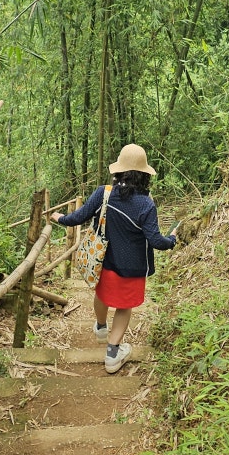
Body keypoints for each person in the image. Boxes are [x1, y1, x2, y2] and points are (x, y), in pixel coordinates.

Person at [51, 144, 176, 374]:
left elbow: (78, 217)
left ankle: (100, 326)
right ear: (144, 175)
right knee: (124, 307)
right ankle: (112, 355)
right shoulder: (146, 204)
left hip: (104, 261)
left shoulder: (104, 193)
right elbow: (156, 240)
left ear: (119, 171)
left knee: (102, 294)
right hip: (133, 267)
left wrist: (60, 218)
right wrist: (172, 239)